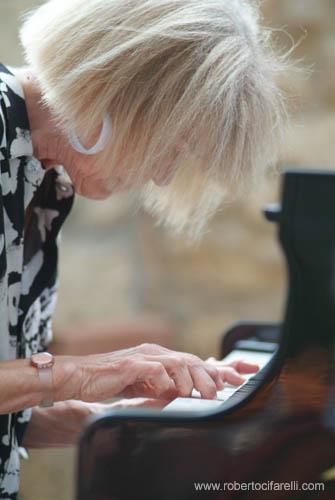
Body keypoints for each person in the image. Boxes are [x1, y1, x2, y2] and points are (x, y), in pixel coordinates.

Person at [0, 0, 287, 498]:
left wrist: (132, 416)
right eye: (169, 145)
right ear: (118, 92)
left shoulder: (44, 180)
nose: (161, 174)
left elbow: (11, 418)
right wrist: (83, 372)